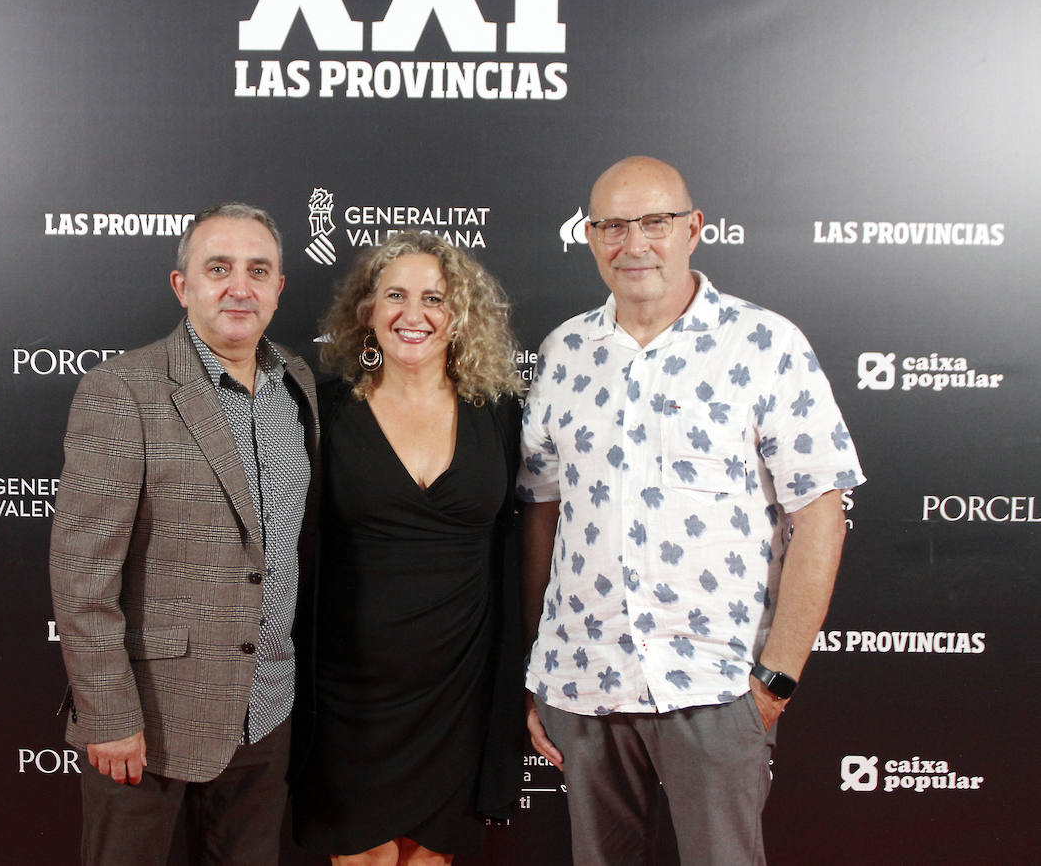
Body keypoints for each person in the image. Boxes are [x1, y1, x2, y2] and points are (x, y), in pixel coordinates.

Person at [517, 156, 866, 865]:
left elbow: (822, 515)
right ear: (589, 236)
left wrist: (775, 679)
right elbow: (541, 515)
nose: (633, 244)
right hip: (585, 685)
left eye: (654, 223)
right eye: (612, 226)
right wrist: (538, 665)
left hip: (718, 687)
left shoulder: (766, 345)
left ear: (693, 229)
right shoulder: (563, 354)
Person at [48, 202, 319, 866]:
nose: (239, 287)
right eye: (218, 268)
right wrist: (109, 716)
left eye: (259, 271)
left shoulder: (299, 385)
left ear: (279, 288)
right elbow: (82, 576)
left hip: (268, 707)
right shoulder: (123, 390)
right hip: (149, 723)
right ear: (183, 285)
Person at [293, 231, 524, 866]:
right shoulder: (324, 412)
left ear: (460, 314)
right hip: (352, 687)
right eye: (395, 295)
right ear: (367, 311)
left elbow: (522, 544)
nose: (413, 314)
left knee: (429, 858)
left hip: (461, 685)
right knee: (362, 858)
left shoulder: (501, 414)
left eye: (434, 298)